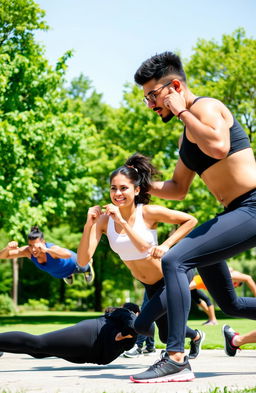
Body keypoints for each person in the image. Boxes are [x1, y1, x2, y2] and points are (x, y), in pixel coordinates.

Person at [130, 51, 256, 383]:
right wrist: (140, 185)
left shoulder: (205, 108)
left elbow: (218, 146)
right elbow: (177, 188)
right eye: (147, 99)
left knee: (175, 260)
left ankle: (175, 358)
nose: (151, 105)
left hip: (253, 206)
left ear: (174, 86)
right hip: (237, 211)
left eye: (153, 96)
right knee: (230, 303)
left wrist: (182, 110)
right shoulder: (187, 135)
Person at [77, 152, 205, 364]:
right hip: (150, 285)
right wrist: (88, 224)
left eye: (123, 188)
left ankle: (175, 358)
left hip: (170, 277)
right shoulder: (103, 221)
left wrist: (165, 245)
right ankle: (196, 336)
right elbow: (82, 261)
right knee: (164, 336)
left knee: (142, 325)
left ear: (136, 190)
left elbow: (190, 220)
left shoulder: (147, 212)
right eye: (113, 188)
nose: (117, 193)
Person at [0, 303, 142, 365]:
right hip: (90, 336)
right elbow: (130, 323)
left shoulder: (131, 331)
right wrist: (124, 333)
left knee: (39, 352)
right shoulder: (129, 315)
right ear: (137, 313)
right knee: (38, 344)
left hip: (89, 352)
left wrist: (125, 335)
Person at [0, 226, 95, 285]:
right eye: (30, 245)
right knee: (60, 272)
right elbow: (3, 256)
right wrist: (7, 248)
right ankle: (68, 275)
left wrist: (47, 250)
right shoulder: (27, 251)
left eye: (35, 245)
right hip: (60, 273)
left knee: (84, 266)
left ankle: (88, 267)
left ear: (43, 242)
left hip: (75, 264)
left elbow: (67, 254)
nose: (33, 249)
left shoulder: (51, 248)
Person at [123, 290, 156, 357]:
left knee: (146, 313)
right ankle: (150, 347)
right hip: (153, 283)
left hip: (157, 282)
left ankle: (138, 346)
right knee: (149, 313)